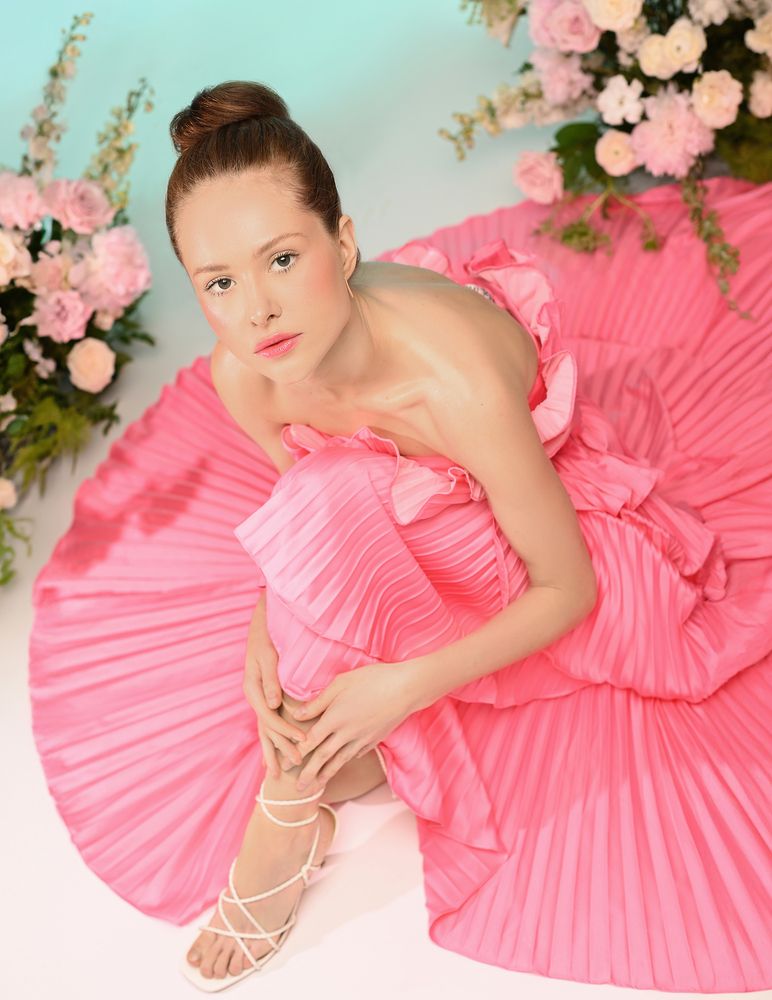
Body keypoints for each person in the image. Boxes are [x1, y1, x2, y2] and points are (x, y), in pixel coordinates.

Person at [28, 79, 772, 994]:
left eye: (282, 259)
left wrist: (400, 689)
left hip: (512, 520)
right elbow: (300, 496)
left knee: (335, 510)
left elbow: (569, 587)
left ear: (343, 243)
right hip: (390, 497)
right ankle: (320, 775)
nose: (257, 310)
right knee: (323, 509)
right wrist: (269, 615)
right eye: (220, 283)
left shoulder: (454, 387)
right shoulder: (247, 374)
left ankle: (287, 818)